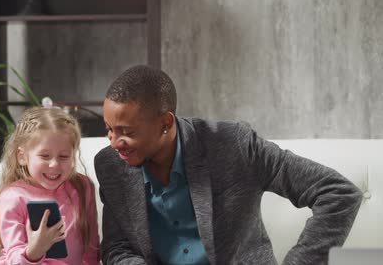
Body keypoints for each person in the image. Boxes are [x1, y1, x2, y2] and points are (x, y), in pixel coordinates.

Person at [94, 65, 362, 265]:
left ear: (165, 123)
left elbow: (338, 193)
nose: (114, 142)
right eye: (108, 129)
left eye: (125, 132)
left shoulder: (235, 145)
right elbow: (117, 247)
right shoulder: (110, 166)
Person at [0, 107, 100, 264]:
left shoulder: (82, 186)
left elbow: (91, 246)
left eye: (63, 156)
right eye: (44, 156)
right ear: (22, 157)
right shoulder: (14, 197)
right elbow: (14, 257)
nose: (54, 164)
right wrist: (35, 250)